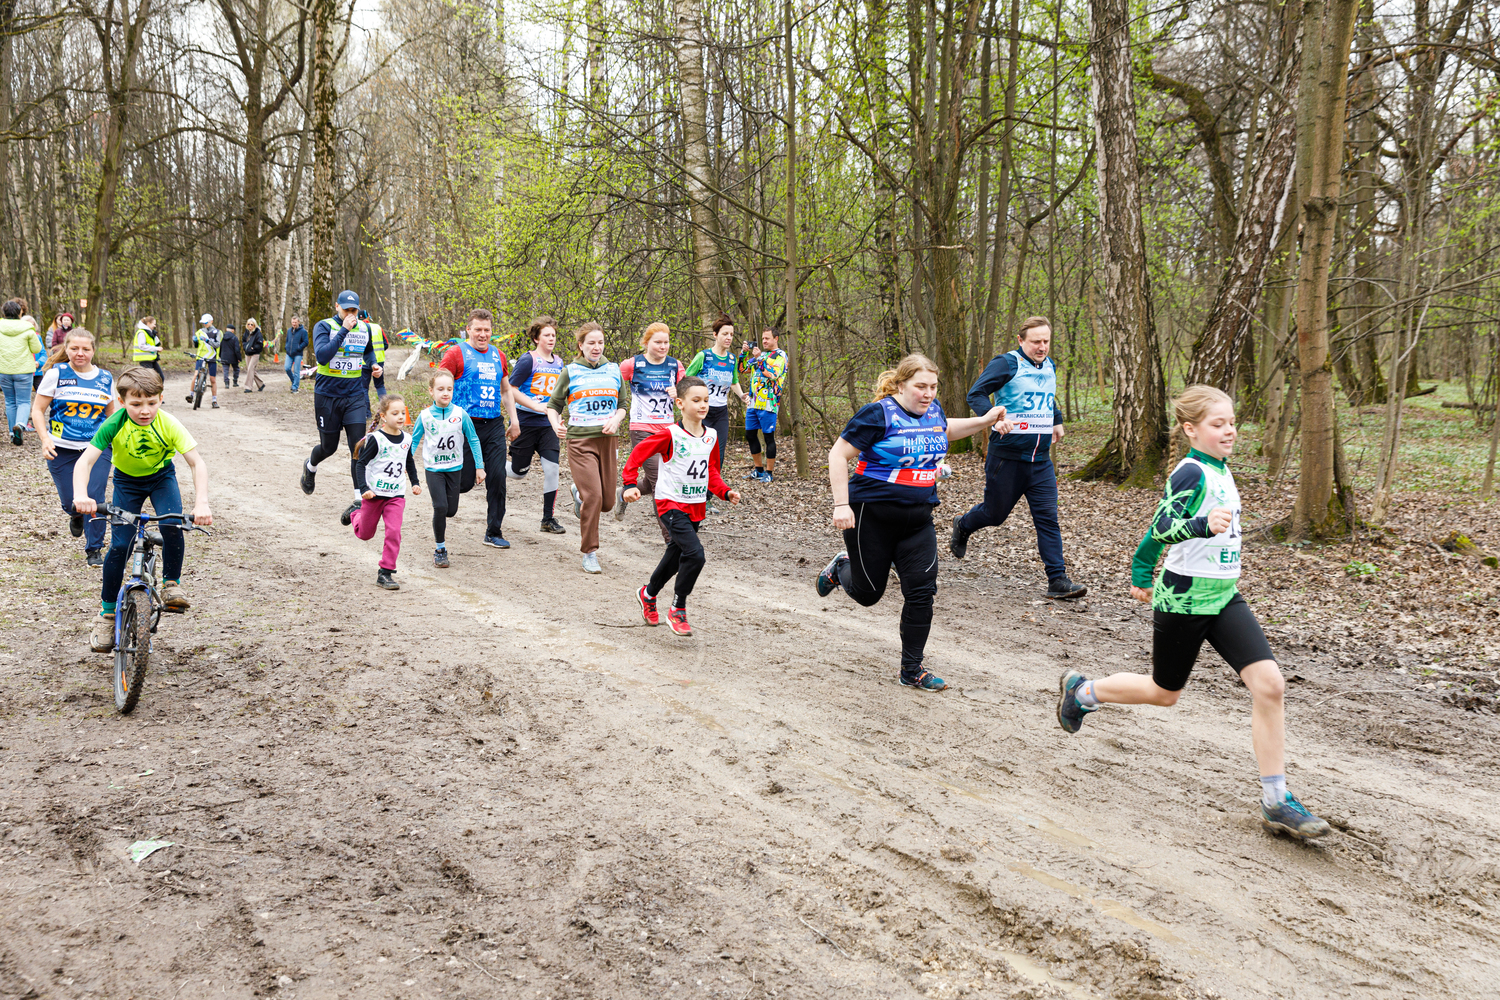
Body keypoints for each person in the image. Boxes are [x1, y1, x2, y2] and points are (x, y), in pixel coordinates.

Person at [1056, 385, 1332, 841]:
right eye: (1218, 424)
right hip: (1183, 599)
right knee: (1165, 693)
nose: (1229, 431)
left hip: (1224, 596)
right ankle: (1083, 692)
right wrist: (1177, 546)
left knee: (1270, 685)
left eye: (1231, 422)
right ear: (1191, 429)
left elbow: (1156, 535)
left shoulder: (1221, 471)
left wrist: (1142, 569)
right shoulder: (1191, 472)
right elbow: (1162, 525)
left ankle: (1276, 801)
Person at [814, 354, 1009, 692]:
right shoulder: (878, 414)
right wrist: (841, 504)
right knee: (868, 594)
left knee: (922, 592)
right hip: (870, 516)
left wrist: (985, 420)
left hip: (918, 520)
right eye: (920, 386)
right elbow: (837, 454)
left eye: (933, 387)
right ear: (901, 385)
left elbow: (946, 429)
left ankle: (911, 669)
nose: (928, 393)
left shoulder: (933, 411)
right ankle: (840, 568)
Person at [72, 366, 212, 653]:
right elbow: (85, 461)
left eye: (151, 402)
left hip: (162, 478)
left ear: (161, 398)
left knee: (172, 525)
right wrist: (80, 495)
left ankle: (171, 583)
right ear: (122, 402)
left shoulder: (169, 423)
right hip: (126, 482)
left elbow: (197, 463)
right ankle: (107, 614)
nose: (145, 410)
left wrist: (202, 503)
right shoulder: (114, 422)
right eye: (136, 404)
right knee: (120, 545)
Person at [948, 316, 1086, 600]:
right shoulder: (1007, 363)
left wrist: (1056, 419)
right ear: (1021, 341)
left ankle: (1057, 580)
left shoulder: (1050, 365)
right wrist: (993, 418)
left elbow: (1047, 396)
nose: (1042, 347)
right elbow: (976, 393)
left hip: (1040, 461)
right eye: (1036, 341)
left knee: (1048, 519)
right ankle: (963, 524)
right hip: (1007, 458)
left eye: (1046, 341)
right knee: (994, 515)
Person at [622, 376, 740, 636]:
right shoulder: (670, 434)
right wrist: (630, 483)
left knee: (675, 557)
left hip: (696, 506)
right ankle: (678, 608)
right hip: (670, 503)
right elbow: (638, 452)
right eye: (696, 400)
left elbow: (712, 471)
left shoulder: (711, 436)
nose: (703, 405)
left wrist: (725, 491)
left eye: (706, 400)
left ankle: (648, 593)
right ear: (680, 403)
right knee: (695, 554)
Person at [546, 321, 625, 574]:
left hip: (607, 440)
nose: (596, 347)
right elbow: (553, 405)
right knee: (595, 497)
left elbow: (623, 404)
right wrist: (556, 424)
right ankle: (589, 552)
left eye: (600, 342)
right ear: (581, 345)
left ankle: (578, 494)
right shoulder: (570, 371)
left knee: (608, 502)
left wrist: (616, 418)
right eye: (591, 343)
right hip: (580, 441)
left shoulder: (613, 370)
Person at [33, 327, 116, 566]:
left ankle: (94, 551)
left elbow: (112, 415)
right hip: (61, 448)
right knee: (71, 500)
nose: (80, 353)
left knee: (95, 496)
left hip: (96, 447)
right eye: (74, 348)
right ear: (66, 349)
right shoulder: (56, 373)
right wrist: (45, 439)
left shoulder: (105, 378)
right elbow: (38, 410)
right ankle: (76, 513)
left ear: (93, 350)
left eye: (85, 349)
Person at [438, 308, 519, 550]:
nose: (483, 334)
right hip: (463, 423)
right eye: (478, 330)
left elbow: (506, 390)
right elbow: (440, 385)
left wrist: (514, 421)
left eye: (487, 330)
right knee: (463, 483)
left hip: (493, 423)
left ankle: (494, 531)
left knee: (498, 476)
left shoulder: (498, 355)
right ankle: (441, 486)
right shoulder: (455, 354)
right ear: (468, 330)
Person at [300, 291, 382, 518]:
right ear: (337, 306)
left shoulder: (364, 328)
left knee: (358, 446)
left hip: (355, 395)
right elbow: (323, 356)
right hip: (327, 396)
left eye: (353, 310)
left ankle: (358, 498)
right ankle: (310, 467)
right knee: (329, 447)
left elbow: (368, 351)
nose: (350, 313)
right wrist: (344, 329)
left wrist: (374, 364)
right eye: (345, 309)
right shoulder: (323, 326)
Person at [410, 369, 485, 568]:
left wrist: (480, 467)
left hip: (454, 468)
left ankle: (441, 520)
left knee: (450, 511)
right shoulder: (425, 416)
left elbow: (474, 439)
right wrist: (403, 464)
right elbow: (414, 440)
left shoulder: (461, 414)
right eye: (440, 389)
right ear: (431, 392)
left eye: (449, 389)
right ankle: (440, 549)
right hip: (434, 469)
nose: (445, 393)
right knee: (440, 507)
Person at [615, 322, 684, 538]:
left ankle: (624, 492)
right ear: (646, 343)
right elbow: (613, 382)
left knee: (659, 478)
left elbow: (689, 394)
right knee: (659, 482)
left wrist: (679, 392)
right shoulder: (633, 364)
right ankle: (670, 538)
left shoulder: (675, 366)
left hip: (668, 431)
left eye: (666, 342)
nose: (663, 346)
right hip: (642, 429)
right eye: (658, 342)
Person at [350, 394, 419, 591]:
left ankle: (386, 572)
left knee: (394, 531)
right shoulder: (376, 439)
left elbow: (409, 461)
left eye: (402, 413)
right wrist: (364, 489)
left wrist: (415, 482)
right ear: (383, 416)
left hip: (396, 496)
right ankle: (356, 513)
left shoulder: (407, 439)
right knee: (365, 534)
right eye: (395, 413)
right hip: (374, 495)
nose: (400, 417)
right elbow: (360, 464)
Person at [505, 315, 567, 534]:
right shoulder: (528, 360)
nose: (551, 339)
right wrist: (535, 405)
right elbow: (511, 389)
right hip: (526, 422)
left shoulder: (559, 363)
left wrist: (558, 417)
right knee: (518, 472)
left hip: (548, 424)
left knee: (552, 469)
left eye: (553, 335)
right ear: (536, 338)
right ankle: (491, 463)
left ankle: (548, 518)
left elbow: (559, 395)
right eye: (546, 335)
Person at [682, 314, 746, 494]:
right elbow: (687, 378)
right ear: (715, 335)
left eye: (731, 334)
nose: (728, 338)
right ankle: (690, 488)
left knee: (718, 454)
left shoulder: (732, 360)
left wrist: (741, 396)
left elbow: (733, 381)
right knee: (697, 451)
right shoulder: (704, 356)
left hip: (721, 413)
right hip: (701, 412)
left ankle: (708, 495)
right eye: (725, 333)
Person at [738, 326, 787, 482]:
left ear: (776, 339)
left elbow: (773, 375)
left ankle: (769, 473)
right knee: (750, 435)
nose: (764, 341)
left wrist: (760, 359)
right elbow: (742, 368)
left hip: (769, 403)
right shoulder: (762, 355)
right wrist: (744, 353)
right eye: (763, 338)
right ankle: (758, 470)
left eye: (767, 338)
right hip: (753, 403)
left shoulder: (780, 356)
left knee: (768, 437)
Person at [0, 298, 43, 444]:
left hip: (4, 370)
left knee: (10, 401)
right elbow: (37, 349)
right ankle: (20, 425)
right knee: (23, 401)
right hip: (24, 370)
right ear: (20, 313)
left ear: (3, 313)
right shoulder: (27, 328)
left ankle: (12, 434)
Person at [189, 313, 222, 408]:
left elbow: (217, 345)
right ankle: (191, 395)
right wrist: (195, 341)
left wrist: (207, 341)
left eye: (206, 322)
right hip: (201, 356)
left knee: (213, 379)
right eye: (203, 323)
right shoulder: (199, 332)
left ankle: (214, 400)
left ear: (211, 321)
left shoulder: (218, 332)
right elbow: (197, 345)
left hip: (212, 358)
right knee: (196, 375)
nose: (204, 324)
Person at [359, 309, 387, 400]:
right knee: (380, 386)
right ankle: (384, 410)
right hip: (379, 361)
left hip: (363, 362)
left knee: (364, 388)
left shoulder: (357, 328)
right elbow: (386, 344)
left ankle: (367, 413)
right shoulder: (377, 327)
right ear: (368, 317)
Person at [131, 315, 164, 380]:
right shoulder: (142, 332)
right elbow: (142, 346)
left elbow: (151, 344)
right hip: (145, 360)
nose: (155, 326)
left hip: (151, 359)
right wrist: (156, 348)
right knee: (149, 380)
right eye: (154, 324)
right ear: (148, 323)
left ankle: (155, 390)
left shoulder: (149, 333)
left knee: (160, 378)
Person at [284, 316, 308, 392]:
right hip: (289, 353)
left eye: (295, 322)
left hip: (298, 353)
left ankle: (295, 387)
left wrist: (299, 347)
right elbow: (287, 340)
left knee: (296, 371)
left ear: (298, 322)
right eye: (292, 322)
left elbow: (306, 342)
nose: (294, 324)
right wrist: (286, 347)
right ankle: (294, 381)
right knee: (287, 368)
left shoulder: (303, 331)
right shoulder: (289, 331)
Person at [242, 318, 266, 392]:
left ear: (254, 325)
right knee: (251, 370)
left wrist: (253, 348)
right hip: (247, 353)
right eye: (248, 324)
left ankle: (248, 387)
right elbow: (243, 341)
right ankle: (261, 384)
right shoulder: (246, 332)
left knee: (250, 369)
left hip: (255, 354)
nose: (250, 326)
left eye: (251, 324)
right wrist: (245, 347)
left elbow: (260, 344)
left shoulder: (258, 333)